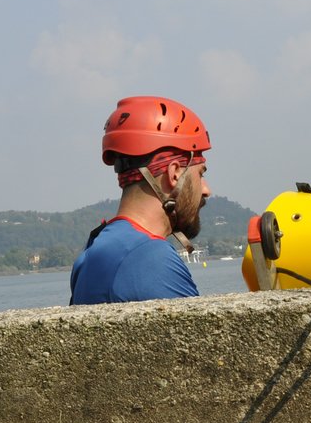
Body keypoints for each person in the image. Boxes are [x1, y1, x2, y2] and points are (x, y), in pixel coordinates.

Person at [70, 96, 213, 305]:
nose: (206, 190)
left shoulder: (92, 252)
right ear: (174, 173)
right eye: (200, 174)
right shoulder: (150, 258)